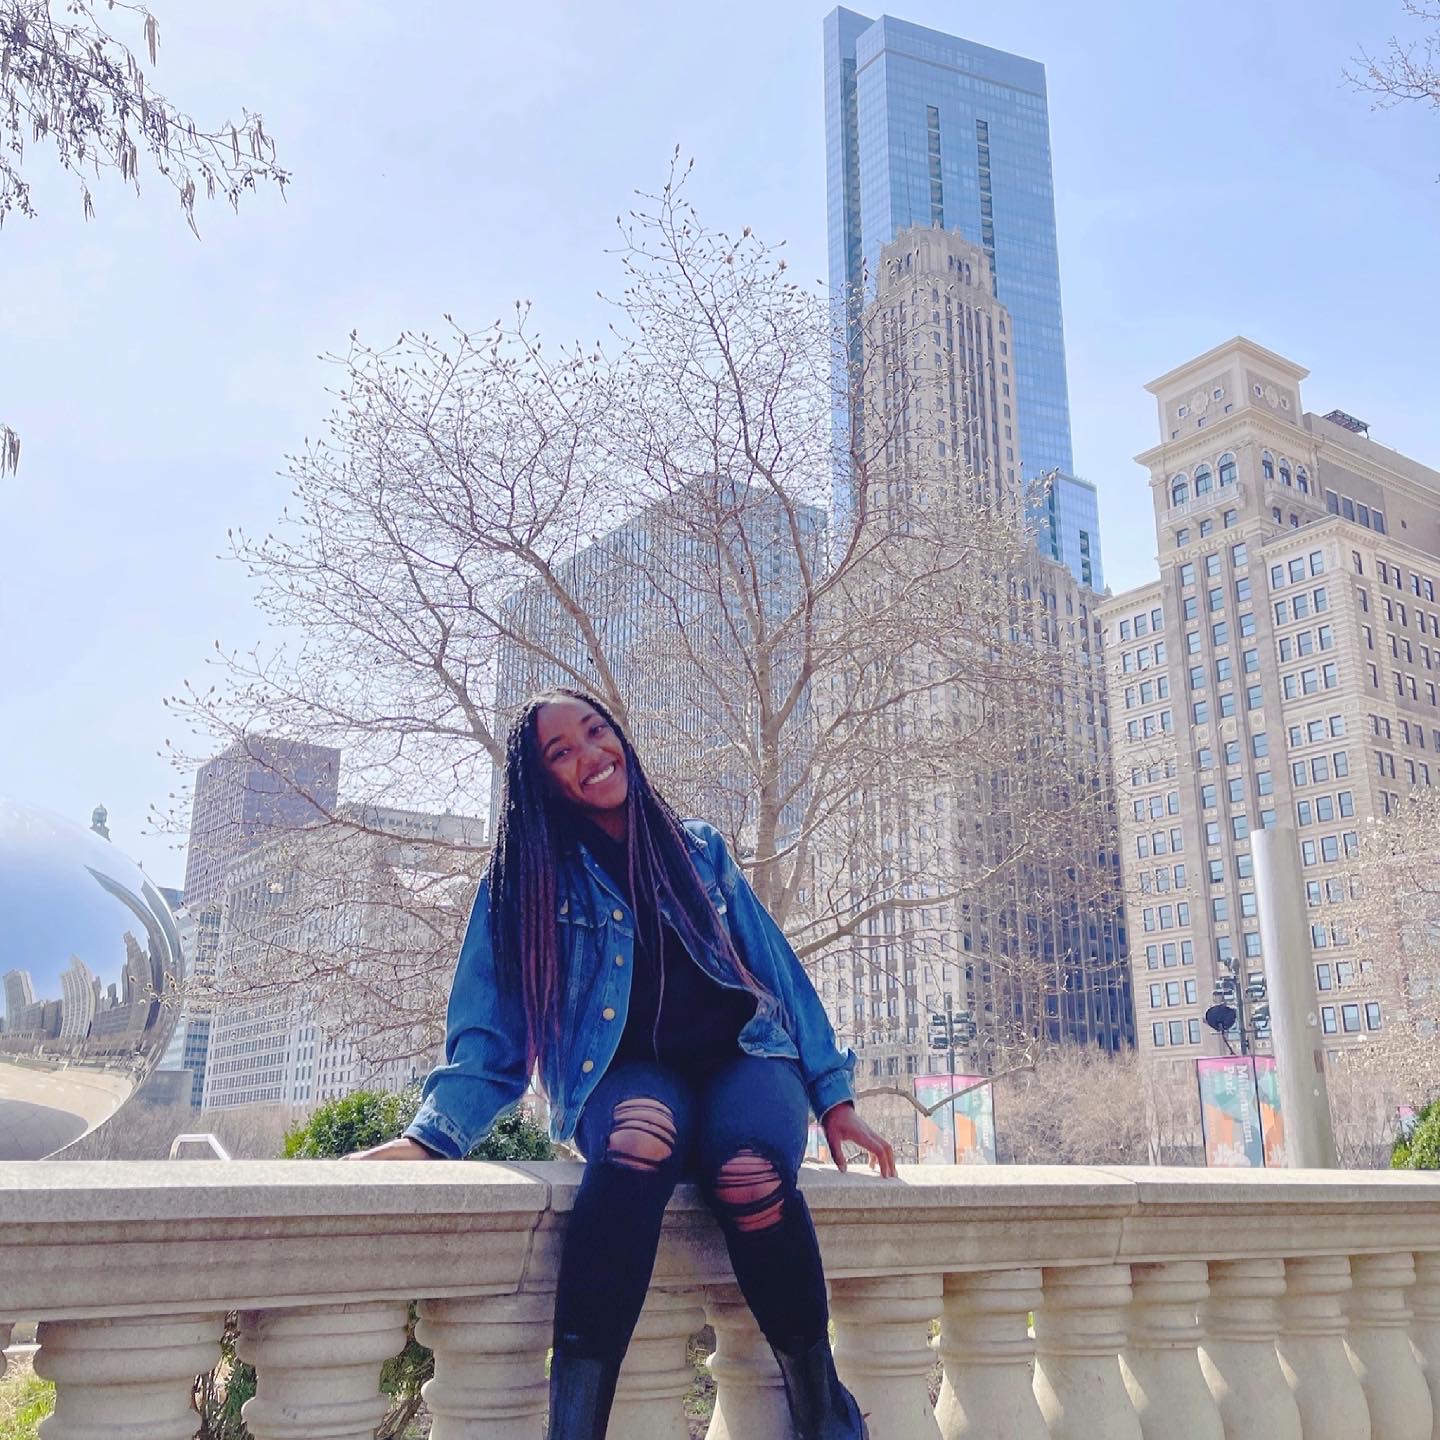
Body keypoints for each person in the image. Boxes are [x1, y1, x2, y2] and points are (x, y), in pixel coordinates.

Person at [351, 688, 895, 1436]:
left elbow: (780, 973)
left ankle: (820, 1410)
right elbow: (491, 1036)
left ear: (622, 738)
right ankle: (575, 1424)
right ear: (540, 781)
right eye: (561, 752)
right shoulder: (522, 883)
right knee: (637, 1138)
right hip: (627, 1075)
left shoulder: (697, 848)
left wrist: (834, 1098)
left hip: (747, 1058)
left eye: (596, 732)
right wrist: (431, 1137)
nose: (590, 756)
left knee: (749, 1173)